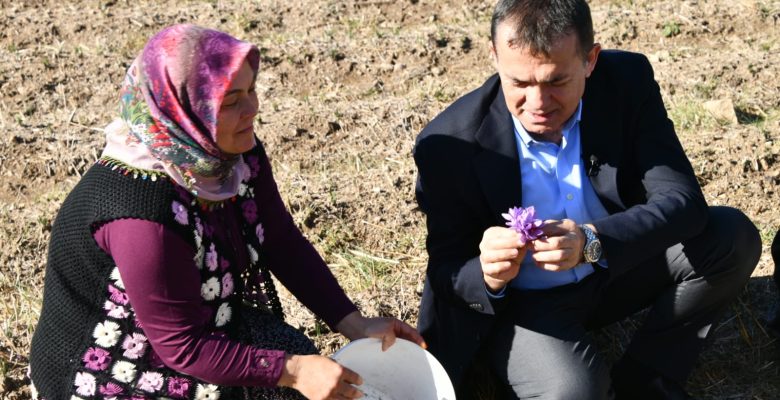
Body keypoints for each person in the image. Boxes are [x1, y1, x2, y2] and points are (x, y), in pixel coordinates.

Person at [29, 24, 424, 400]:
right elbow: (181, 347)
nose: (253, 108)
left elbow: (281, 241)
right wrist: (295, 371)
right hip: (113, 368)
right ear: (186, 110)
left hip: (203, 325)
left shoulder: (232, 156)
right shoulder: (140, 212)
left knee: (296, 354)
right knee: (295, 370)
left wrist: (353, 324)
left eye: (251, 90)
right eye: (232, 101)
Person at [412, 1, 761, 399]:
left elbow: (682, 200)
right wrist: (487, 274)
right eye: (520, 83)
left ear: (590, 60)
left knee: (731, 238)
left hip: (612, 268)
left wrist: (592, 242)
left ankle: (649, 379)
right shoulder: (449, 143)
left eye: (556, 81)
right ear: (494, 56)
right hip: (526, 305)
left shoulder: (626, 81)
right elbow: (446, 270)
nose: (538, 104)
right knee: (574, 391)